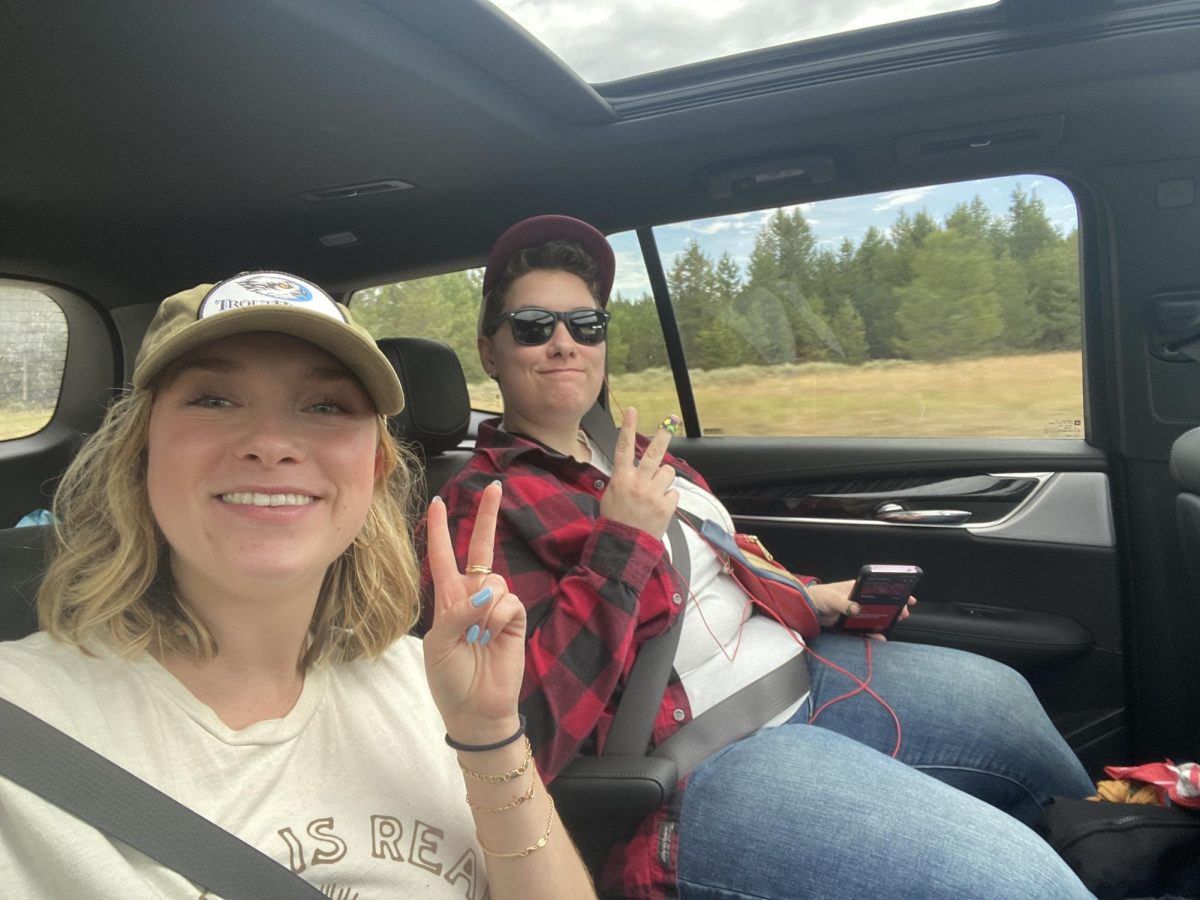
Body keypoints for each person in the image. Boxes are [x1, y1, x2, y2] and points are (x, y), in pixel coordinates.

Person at [430, 216, 1099, 900]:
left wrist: (807, 594)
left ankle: (1126, 854)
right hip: (694, 758)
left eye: (586, 324)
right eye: (534, 326)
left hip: (798, 670)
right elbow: (525, 726)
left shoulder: (629, 451)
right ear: (490, 350)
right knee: (1018, 883)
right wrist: (622, 542)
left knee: (1008, 710)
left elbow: (719, 564)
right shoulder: (482, 502)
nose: (565, 343)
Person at [0, 271, 596, 899]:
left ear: (373, 467)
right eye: (213, 398)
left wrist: (489, 737)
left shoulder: (428, 685)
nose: (271, 444)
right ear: (142, 449)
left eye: (326, 407)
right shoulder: (25, 717)